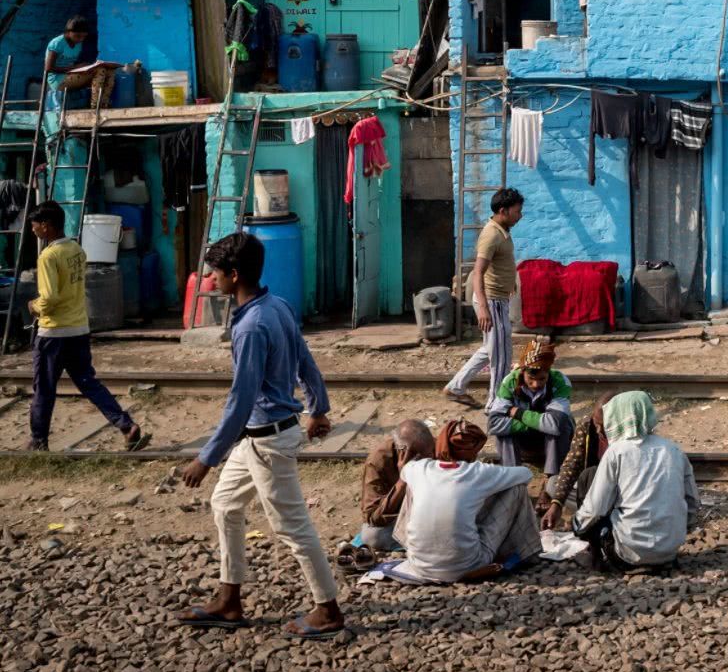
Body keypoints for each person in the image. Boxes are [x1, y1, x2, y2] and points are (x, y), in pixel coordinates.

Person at [177, 232, 344, 640]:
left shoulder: (250, 326)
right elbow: (305, 358)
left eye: (215, 274)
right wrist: (318, 407)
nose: (210, 280)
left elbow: (240, 399)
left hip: (268, 440)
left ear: (234, 276)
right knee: (225, 504)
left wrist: (207, 457)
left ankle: (329, 610)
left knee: (293, 528)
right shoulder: (277, 305)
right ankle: (229, 601)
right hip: (255, 438)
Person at [26, 201, 148, 452]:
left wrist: (34, 306)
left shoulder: (49, 255)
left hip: (54, 332)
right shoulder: (76, 250)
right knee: (89, 383)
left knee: (44, 388)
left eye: (35, 224)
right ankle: (126, 425)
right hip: (79, 329)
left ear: (46, 226)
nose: (33, 229)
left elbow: (50, 298)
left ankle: (38, 441)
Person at [392, 428, 543, 584]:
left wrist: (404, 467)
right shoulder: (478, 471)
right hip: (468, 567)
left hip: (420, 567)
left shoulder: (418, 468)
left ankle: (409, 545)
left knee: (411, 485)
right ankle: (526, 551)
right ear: (473, 452)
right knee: (517, 488)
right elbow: (526, 474)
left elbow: (404, 470)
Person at [572, 391, 699, 571]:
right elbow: (692, 502)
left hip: (625, 556)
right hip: (670, 552)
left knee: (588, 477)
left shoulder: (616, 452)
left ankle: (595, 559)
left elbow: (595, 508)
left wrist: (577, 527)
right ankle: (660, 557)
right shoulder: (674, 450)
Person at [443, 187, 523, 410]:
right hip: (492, 302)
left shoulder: (502, 231)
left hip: (498, 299)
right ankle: (496, 404)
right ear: (503, 210)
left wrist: (511, 282)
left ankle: (456, 387)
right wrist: (485, 309)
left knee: (490, 350)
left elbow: (500, 264)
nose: (520, 215)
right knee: (501, 356)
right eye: (517, 211)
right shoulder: (491, 235)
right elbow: (478, 272)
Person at [488, 341, 576, 511]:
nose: (536, 385)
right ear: (523, 371)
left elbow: (555, 424)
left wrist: (518, 413)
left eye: (542, 379)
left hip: (550, 442)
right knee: (504, 433)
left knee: (562, 425)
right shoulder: (509, 382)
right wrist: (536, 423)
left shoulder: (559, 381)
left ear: (548, 373)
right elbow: (493, 424)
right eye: (531, 379)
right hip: (525, 441)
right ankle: (514, 486)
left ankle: (549, 485)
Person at [541, 391, 615, 531]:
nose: (598, 430)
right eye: (596, 423)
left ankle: (596, 517)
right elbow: (572, 464)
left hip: (617, 495)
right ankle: (591, 513)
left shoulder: (630, 435)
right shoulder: (587, 426)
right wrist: (556, 505)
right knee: (553, 484)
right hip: (591, 490)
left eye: (604, 426)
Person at [359, 420, 437, 551]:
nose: (430, 459)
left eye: (430, 454)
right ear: (404, 453)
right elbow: (373, 518)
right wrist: (403, 479)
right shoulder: (378, 461)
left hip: (433, 511)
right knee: (372, 536)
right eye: (424, 458)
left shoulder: (434, 446)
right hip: (403, 516)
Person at [45, 16, 115, 110]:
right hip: (58, 81)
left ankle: (103, 104)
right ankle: (95, 107)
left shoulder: (78, 44)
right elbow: (48, 68)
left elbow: (72, 64)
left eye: (83, 37)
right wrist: (75, 68)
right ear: (68, 32)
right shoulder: (57, 43)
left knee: (109, 71)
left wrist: (85, 67)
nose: (81, 39)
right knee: (100, 71)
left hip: (70, 75)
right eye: (77, 36)